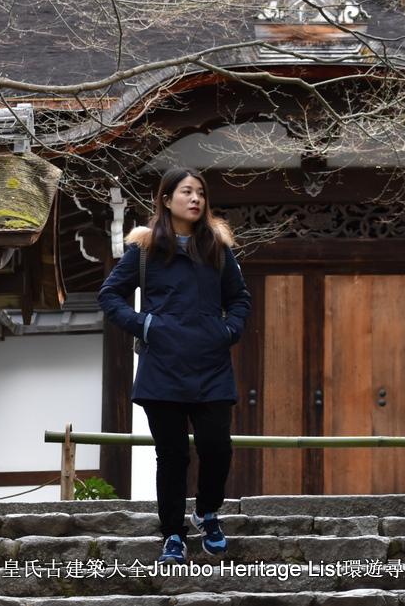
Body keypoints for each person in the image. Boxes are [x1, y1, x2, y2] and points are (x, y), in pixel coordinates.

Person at [98, 168, 252, 565]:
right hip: (161, 368)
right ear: (166, 199)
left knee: (217, 447)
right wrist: (145, 325)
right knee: (171, 456)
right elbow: (110, 294)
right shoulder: (145, 250)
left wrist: (228, 330)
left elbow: (239, 299)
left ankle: (207, 512)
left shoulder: (219, 248)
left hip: (211, 364)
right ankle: (172, 534)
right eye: (186, 192)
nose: (195, 199)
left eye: (200, 192)